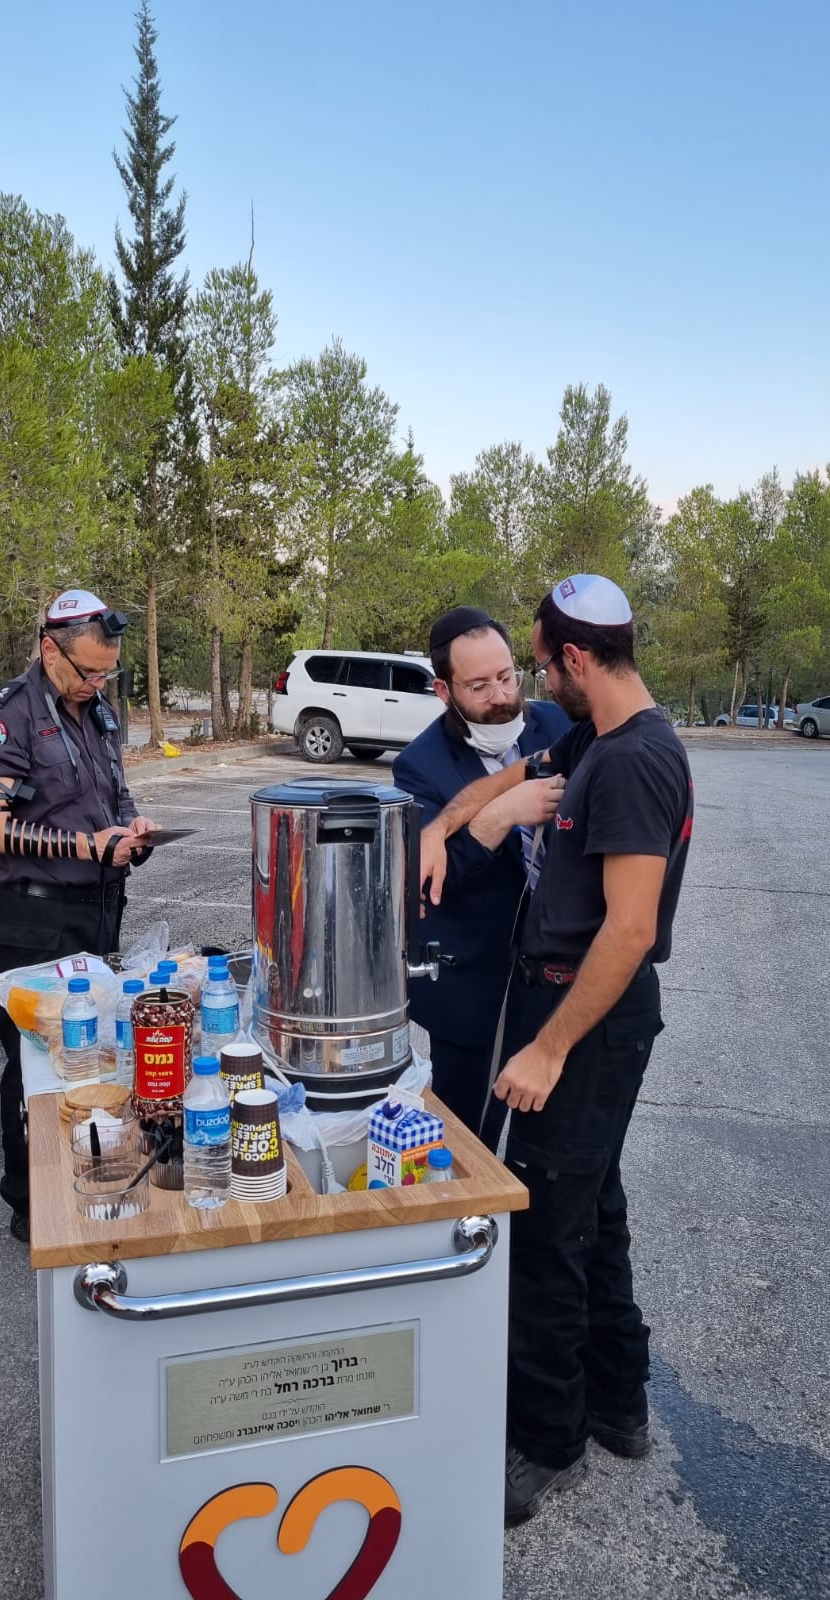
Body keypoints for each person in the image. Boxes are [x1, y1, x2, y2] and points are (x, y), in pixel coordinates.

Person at [420, 575, 694, 1523]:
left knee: (540, 1227)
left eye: (539, 663)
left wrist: (548, 1050)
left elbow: (629, 929)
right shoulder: (598, 736)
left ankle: (548, 1442)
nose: (535, 683)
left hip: (586, 1013)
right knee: (595, 1208)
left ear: (576, 659)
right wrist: (447, 820)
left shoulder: (633, 763)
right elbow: (516, 770)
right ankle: (620, 1406)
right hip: (579, 1010)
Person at [0, 589, 161, 1243]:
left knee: (94, 1062)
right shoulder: (4, 718)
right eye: (88, 672)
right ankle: (30, 1207)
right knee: (34, 1069)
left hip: (100, 912)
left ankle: (87, 1184)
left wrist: (131, 832)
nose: (98, 684)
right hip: (35, 921)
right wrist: (83, 846)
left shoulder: (99, 710)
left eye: (108, 673)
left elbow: (114, 795)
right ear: (50, 649)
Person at [392, 605, 570, 1143]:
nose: (500, 696)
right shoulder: (419, 765)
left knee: (554, 1147)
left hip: (555, 984)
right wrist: (500, 816)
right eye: (478, 686)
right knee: (467, 1142)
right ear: (444, 691)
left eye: (507, 677)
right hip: (471, 989)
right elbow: (432, 883)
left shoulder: (560, 724)